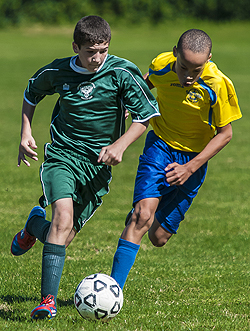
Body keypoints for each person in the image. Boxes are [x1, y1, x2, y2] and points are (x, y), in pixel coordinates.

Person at [10, 15, 160, 320]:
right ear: (76, 47)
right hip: (63, 157)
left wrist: (120, 145)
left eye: (103, 50)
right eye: (90, 51)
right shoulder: (58, 71)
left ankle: (33, 225)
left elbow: (145, 115)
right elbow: (30, 94)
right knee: (62, 219)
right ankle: (47, 302)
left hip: (97, 168)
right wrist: (26, 133)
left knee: (61, 236)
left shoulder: (121, 72)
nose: (97, 58)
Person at [110, 29, 242, 290]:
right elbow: (146, 83)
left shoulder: (218, 84)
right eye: (184, 67)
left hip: (194, 159)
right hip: (160, 145)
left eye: (197, 69)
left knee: (158, 237)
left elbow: (225, 134)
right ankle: (113, 291)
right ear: (175, 53)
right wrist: (129, 105)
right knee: (141, 216)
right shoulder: (161, 65)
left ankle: (146, 210)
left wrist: (190, 167)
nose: (189, 76)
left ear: (209, 59)